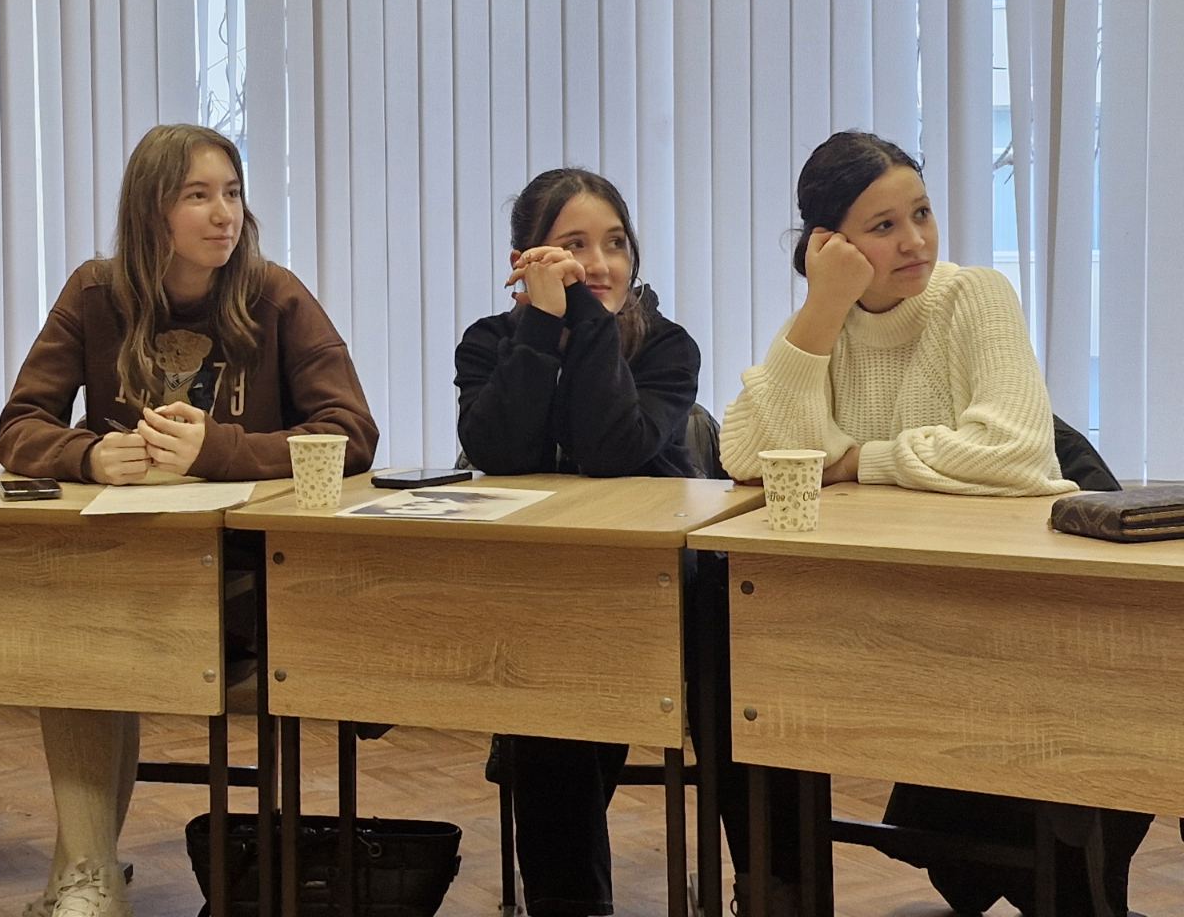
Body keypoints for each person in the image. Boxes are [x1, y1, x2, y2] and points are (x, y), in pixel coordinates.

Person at [720, 129, 1150, 915]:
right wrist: (820, 309)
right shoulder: (823, 324)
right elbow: (747, 453)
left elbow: (1014, 450)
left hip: (1015, 605)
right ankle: (784, 886)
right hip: (892, 608)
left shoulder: (973, 297)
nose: (915, 240)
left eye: (921, 213)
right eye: (884, 226)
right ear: (829, 245)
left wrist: (859, 459)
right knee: (750, 658)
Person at [0, 123, 378, 917]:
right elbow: (20, 426)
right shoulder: (95, 294)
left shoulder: (275, 295)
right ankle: (89, 874)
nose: (223, 214)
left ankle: (84, 872)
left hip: (247, 577)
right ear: (151, 211)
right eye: (198, 196)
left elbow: (352, 434)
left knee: (93, 631)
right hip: (122, 560)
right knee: (75, 628)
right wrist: (88, 457)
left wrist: (220, 451)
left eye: (232, 193)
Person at [454, 167, 700, 917]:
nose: (599, 264)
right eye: (574, 246)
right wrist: (541, 325)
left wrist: (585, 322)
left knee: (560, 684)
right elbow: (499, 450)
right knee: (551, 682)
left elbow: (612, 449)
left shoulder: (666, 348)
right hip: (542, 592)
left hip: (655, 590)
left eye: (615, 244)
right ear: (526, 262)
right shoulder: (489, 343)